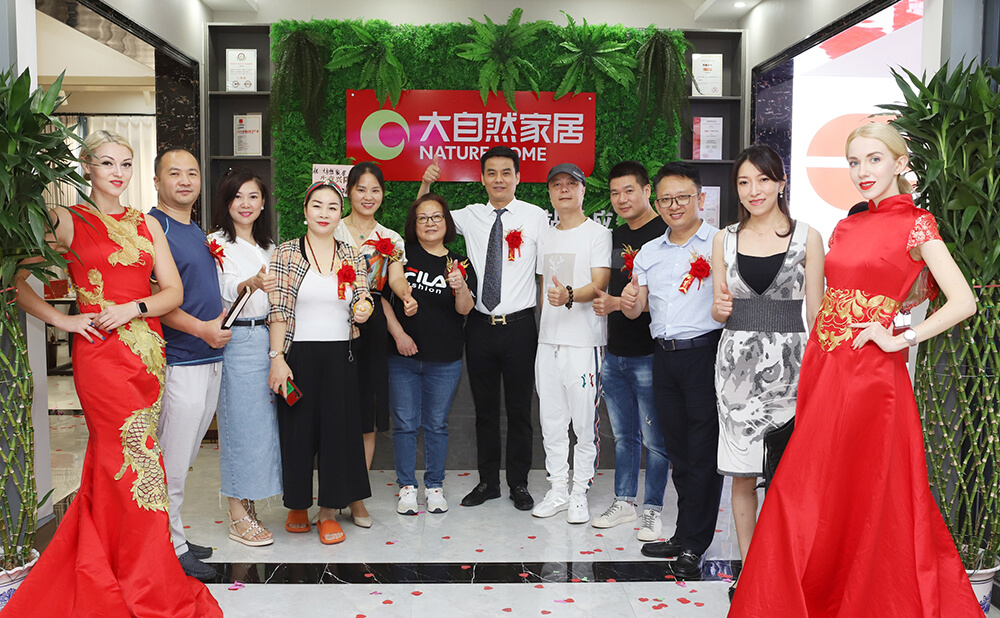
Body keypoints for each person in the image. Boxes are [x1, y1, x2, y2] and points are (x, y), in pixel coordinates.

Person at [730, 124, 981, 615]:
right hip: (825, 368)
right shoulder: (847, 226)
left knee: (861, 493)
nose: (862, 171)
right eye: (853, 162)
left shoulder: (918, 224)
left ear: (899, 164)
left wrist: (901, 337)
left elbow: (963, 301)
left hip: (871, 379)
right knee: (808, 490)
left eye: (874, 159)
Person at [4, 131, 221, 616]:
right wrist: (64, 320)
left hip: (148, 354)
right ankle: (140, 574)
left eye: (125, 163)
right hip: (100, 356)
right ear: (87, 166)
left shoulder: (147, 223)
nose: (118, 172)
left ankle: (114, 560)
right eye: (106, 163)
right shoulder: (66, 219)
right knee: (134, 460)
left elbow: (172, 293)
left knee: (124, 463)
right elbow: (14, 279)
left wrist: (134, 308)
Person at [709, 145, 824, 598]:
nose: (753, 190)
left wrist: (822, 374)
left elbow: (816, 314)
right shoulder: (724, 239)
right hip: (736, 371)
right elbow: (718, 308)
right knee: (741, 473)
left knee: (788, 476)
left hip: (792, 368)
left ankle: (788, 568)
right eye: (744, 182)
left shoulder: (808, 237)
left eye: (762, 180)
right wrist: (719, 310)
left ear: (781, 183)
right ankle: (750, 569)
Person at [419, 147, 549, 511]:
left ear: (518, 177)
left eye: (506, 172)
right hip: (479, 327)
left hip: (521, 327)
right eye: (491, 173)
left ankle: (518, 483)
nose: (499, 179)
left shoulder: (535, 216)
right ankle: (488, 482)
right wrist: (426, 184)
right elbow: (425, 217)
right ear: (482, 178)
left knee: (520, 411)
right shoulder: (470, 215)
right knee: (485, 411)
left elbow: (546, 272)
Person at [621, 162, 725, 580]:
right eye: (666, 199)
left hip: (704, 354)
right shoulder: (649, 252)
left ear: (700, 198)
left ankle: (696, 543)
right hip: (663, 358)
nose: (674, 205)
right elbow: (638, 309)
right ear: (657, 201)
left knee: (702, 454)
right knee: (678, 452)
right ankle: (683, 534)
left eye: (682, 197)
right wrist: (630, 302)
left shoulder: (720, 243)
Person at [267, 181, 374, 545]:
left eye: (332, 207)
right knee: (296, 433)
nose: (324, 213)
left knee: (337, 436)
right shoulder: (286, 252)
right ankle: (297, 505)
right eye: (317, 205)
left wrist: (363, 309)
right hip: (297, 355)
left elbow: (363, 296)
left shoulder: (351, 254)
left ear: (340, 213)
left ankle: (328, 511)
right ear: (305, 210)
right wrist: (277, 358)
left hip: (341, 356)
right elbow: (278, 309)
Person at [148, 148, 231, 580]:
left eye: (192, 173)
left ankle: (174, 532)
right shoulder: (153, 227)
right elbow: (153, 300)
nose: (184, 181)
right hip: (180, 359)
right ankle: (170, 547)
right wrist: (201, 330)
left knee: (186, 456)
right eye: (174, 173)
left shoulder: (197, 230)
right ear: (156, 181)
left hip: (209, 356)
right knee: (172, 462)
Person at [591, 161, 672, 542]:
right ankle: (624, 501)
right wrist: (609, 304)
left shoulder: (666, 234)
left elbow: (673, 299)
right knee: (624, 436)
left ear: (647, 191)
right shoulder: (616, 234)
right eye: (614, 193)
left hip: (651, 355)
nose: (621, 199)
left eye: (629, 191)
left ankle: (652, 509)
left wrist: (621, 304)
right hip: (615, 353)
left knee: (656, 439)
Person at [530, 163, 611, 525]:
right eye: (556, 184)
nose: (563, 189)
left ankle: (579, 492)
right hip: (548, 342)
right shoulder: (545, 237)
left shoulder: (598, 234)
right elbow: (541, 286)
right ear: (549, 193)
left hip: (584, 343)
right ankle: (558, 489)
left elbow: (600, 283)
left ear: (582, 191)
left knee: (583, 423)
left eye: (571, 184)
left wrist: (568, 295)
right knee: (551, 421)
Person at [387, 194, 477, 515]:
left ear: (446, 222)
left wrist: (460, 286)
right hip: (402, 356)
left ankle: (435, 485)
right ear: (414, 224)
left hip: (445, 358)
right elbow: (382, 297)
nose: (430, 223)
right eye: (423, 218)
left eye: (436, 217)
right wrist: (398, 334)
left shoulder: (460, 263)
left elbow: (465, 309)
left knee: (437, 424)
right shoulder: (402, 254)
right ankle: (407, 487)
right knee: (405, 424)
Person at [334, 163, 413, 529]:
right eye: (361, 189)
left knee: (366, 412)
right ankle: (331, 496)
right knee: (335, 409)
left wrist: (406, 294)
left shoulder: (391, 238)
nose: (368, 196)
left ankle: (357, 497)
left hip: (373, 324)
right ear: (349, 191)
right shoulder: (331, 227)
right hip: (332, 320)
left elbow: (395, 278)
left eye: (375, 190)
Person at [207, 167, 281, 547]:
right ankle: (237, 514)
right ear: (226, 202)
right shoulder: (215, 243)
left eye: (253, 196)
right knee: (239, 427)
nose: (246, 204)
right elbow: (222, 287)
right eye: (238, 196)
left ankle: (248, 504)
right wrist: (248, 284)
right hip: (237, 340)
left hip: (268, 338)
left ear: (264, 202)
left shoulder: (269, 246)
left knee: (261, 429)